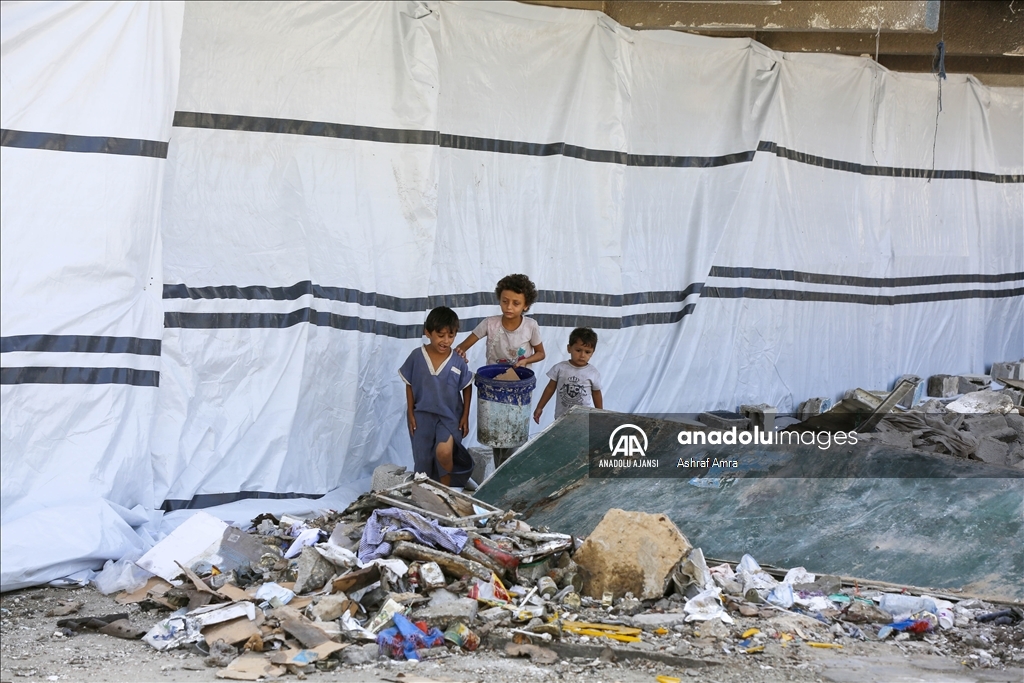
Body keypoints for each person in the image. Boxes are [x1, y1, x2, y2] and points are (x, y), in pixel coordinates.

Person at [455, 274, 546, 467]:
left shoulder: (530, 326)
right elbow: (464, 345)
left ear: (526, 306)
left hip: (518, 390)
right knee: (496, 436)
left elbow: (540, 354)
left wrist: (526, 361)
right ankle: (500, 474)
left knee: (514, 435)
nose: (509, 307)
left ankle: (511, 476)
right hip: (493, 388)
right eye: (505, 302)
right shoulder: (490, 323)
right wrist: (460, 354)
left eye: (516, 303)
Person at [399, 306, 475, 487]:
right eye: (441, 335)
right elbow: (409, 384)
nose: (446, 341)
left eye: (451, 336)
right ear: (428, 332)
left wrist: (465, 415)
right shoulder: (417, 356)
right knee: (423, 460)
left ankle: (446, 490)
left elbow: (467, 386)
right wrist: (410, 413)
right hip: (422, 416)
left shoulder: (458, 360)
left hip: (449, 418)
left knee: (444, 452)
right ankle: (427, 493)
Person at [533, 327, 603, 423]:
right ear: (569, 348)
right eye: (578, 350)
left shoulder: (593, 373)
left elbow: (596, 393)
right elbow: (550, 388)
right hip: (561, 418)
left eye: (587, 352)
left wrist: (600, 414)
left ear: (592, 353)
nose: (582, 355)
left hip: (583, 419)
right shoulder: (560, 368)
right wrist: (539, 407)